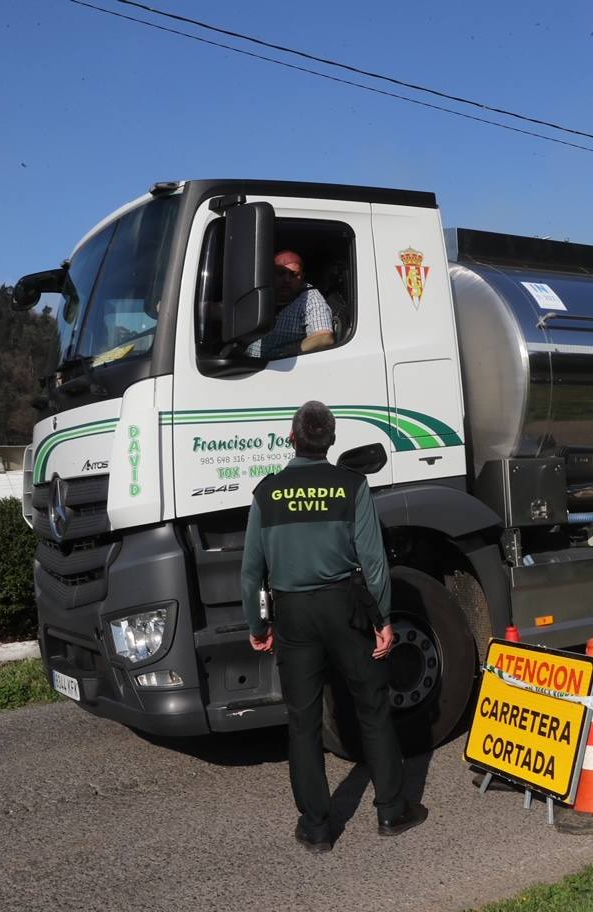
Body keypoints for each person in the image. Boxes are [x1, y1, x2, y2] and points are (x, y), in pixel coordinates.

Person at [242, 401, 428, 852]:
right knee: (372, 706)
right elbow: (374, 563)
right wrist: (381, 619)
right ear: (331, 441)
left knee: (303, 721)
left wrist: (257, 623)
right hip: (346, 609)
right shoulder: (352, 486)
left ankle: (318, 827)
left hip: (293, 616)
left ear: (291, 438)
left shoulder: (267, 492)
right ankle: (392, 811)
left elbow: (251, 571)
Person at [245, 250, 335, 359]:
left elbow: (324, 337)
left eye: (294, 275)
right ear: (269, 274)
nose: (287, 280)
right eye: (280, 273)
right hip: (246, 361)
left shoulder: (309, 297)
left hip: (281, 365)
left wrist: (286, 355)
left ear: (302, 277)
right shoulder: (259, 290)